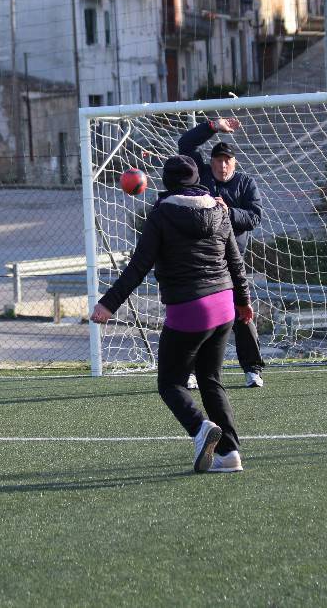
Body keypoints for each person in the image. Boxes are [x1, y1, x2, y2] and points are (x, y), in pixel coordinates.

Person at [90, 154, 252, 473]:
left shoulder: (162, 213)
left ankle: (200, 428)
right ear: (196, 180)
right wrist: (244, 300)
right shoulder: (220, 209)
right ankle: (230, 454)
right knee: (211, 379)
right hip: (224, 307)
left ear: (166, 182)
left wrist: (108, 303)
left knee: (170, 383)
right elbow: (236, 261)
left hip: (190, 309)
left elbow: (138, 266)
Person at [178, 117, 266, 388]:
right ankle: (190, 372)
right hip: (202, 263)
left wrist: (228, 211)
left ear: (234, 163)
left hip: (232, 263)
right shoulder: (201, 177)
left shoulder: (245, 183)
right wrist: (213, 127)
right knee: (198, 315)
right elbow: (185, 143)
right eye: (218, 160)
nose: (223, 165)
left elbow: (254, 217)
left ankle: (252, 370)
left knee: (243, 312)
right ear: (211, 162)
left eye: (228, 160)